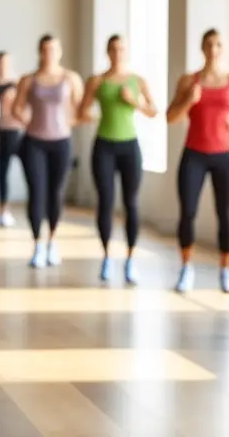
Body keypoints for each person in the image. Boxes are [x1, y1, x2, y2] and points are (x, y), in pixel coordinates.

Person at [165, 28, 229, 294]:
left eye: (218, 45)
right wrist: (189, 102)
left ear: (222, 49)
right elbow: (170, 117)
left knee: (225, 214)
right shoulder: (188, 81)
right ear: (202, 49)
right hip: (194, 154)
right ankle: (186, 269)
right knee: (188, 212)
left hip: (224, 155)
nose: (213, 50)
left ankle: (226, 271)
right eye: (208, 45)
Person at [78, 34, 158, 285]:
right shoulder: (97, 81)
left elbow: (153, 111)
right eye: (113, 48)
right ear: (107, 52)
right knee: (106, 201)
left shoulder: (137, 81)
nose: (118, 52)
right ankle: (106, 256)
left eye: (122, 48)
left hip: (129, 147)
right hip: (104, 146)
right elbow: (82, 111)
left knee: (131, 203)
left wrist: (133, 101)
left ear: (127, 52)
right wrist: (94, 117)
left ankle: (131, 259)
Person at [12, 34, 84, 268]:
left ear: (59, 52)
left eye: (53, 49)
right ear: (39, 52)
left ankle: (52, 240)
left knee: (56, 193)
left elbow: (80, 109)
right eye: (45, 49)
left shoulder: (70, 78)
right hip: (34, 143)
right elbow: (17, 109)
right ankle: (37, 245)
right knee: (37, 192)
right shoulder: (28, 79)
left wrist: (66, 124)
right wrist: (30, 124)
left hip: (60, 143)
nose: (49, 53)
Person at [0, 51, 24, 227]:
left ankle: (4, 210)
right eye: (0, 62)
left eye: (6, 62)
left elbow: (22, 108)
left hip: (11, 131)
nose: (3, 65)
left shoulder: (17, 84)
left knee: (4, 169)